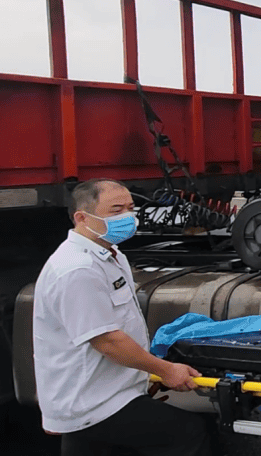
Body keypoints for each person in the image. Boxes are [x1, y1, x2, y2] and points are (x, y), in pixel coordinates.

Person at [33, 179, 210, 456]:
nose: (128, 217)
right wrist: (165, 370)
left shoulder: (109, 255)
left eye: (130, 208)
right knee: (187, 433)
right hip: (94, 402)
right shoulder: (78, 269)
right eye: (116, 210)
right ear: (82, 218)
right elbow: (107, 340)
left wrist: (143, 374)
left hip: (100, 396)